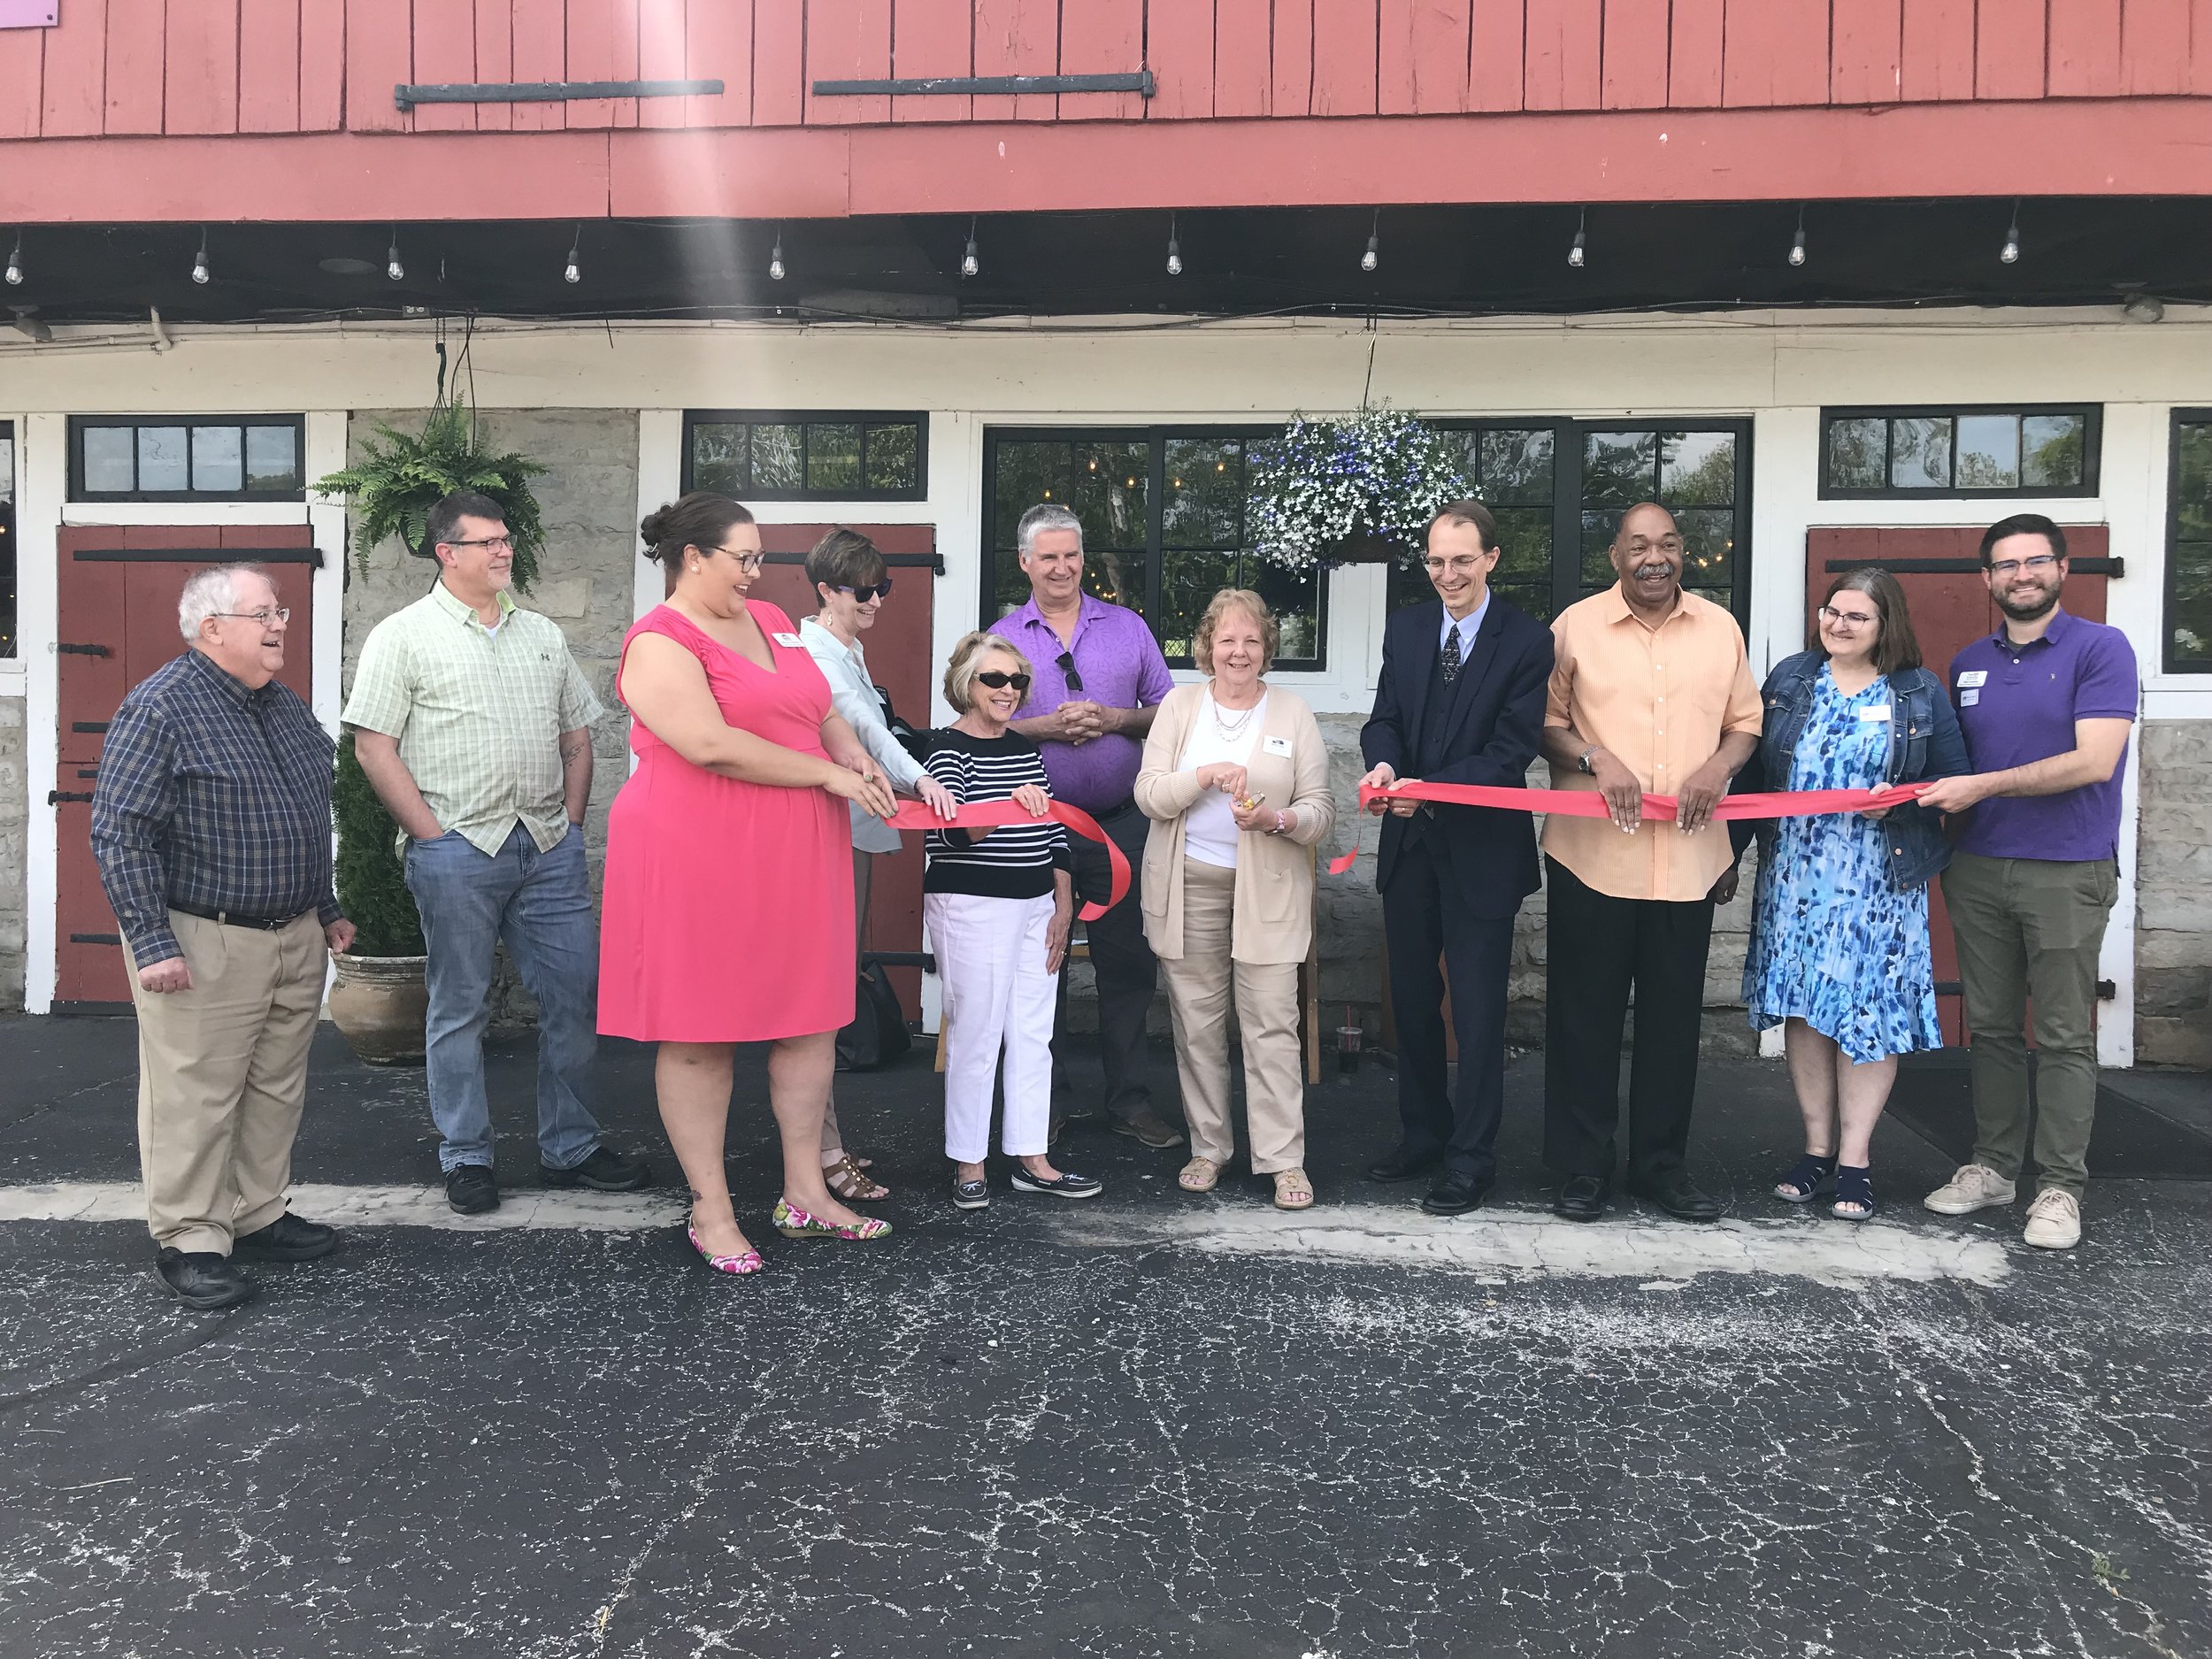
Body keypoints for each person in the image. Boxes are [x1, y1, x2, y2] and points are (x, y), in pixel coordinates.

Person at [600, 492, 902, 1273]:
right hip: (698, 846)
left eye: (759, 558)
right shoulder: (656, 641)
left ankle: (805, 1192)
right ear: (693, 557)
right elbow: (709, 744)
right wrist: (827, 775)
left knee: (810, 1018)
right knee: (702, 1031)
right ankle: (712, 1207)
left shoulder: (768, 620)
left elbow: (817, 704)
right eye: (745, 558)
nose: (757, 572)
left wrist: (853, 752)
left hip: (797, 846)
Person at [343, 490, 649, 1215]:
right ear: (447, 553)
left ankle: (569, 1147)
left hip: (546, 847)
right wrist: (428, 834)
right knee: (458, 1006)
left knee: (574, 996)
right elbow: (372, 745)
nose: (504, 551)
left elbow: (578, 734)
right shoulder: (403, 635)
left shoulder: (539, 632)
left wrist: (571, 825)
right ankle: (467, 1156)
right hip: (456, 850)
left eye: (506, 538)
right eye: (487, 542)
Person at [90, 565, 353, 1309]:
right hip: (202, 937)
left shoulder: (283, 706)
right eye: (262, 613)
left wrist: (325, 906)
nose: (280, 625)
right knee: (196, 1095)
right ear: (212, 629)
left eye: (282, 611)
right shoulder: (160, 708)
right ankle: (192, 1237)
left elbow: (304, 815)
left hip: (291, 933)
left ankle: (257, 1213)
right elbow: (120, 833)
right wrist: (150, 940)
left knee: (275, 1087)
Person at [1915, 514, 2139, 1251]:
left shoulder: (2101, 650)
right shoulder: (1970, 661)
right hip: (1978, 866)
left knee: (2067, 1032)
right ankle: (1995, 1167)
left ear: (2062, 568)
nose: (2021, 575)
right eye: (2005, 565)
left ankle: (2060, 1186)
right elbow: (1947, 760)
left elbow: (2093, 760)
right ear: (1986, 579)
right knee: (1994, 1027)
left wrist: (1981, 786)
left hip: (2067, 866)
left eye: (2034, 561)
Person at [1540, 501, 1763, 1225]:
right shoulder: (1573, 627)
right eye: (1639, 545)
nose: (1654, 557)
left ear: (1682, 552)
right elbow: (1543, 722)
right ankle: (1583, 1167)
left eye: (1668, 543)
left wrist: (1717, 770)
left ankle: (1662, 1167)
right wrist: (1594, 757)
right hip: (1592, 859)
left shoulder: (1720, 628)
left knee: (1672, 1022)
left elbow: (1745, 725)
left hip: (1689, 860)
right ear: (1615, 556)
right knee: (1585, 1018)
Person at [1735, 569, 1968, 1222]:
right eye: (1832, 611)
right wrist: (1730, 859)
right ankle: (1815, 1149)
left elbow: (1954, 781)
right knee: (1807, 1011)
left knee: (1867, 1016)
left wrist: (1896, 807)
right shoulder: (1790, 679)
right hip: (1798, 877)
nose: (1838, 624)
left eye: (1856, 616)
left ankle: (1857, 1160)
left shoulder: (1917, 692)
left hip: (1877, 882)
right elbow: (1755, 776)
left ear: (1885, 625)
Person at [1356, 503, 1554, 1216]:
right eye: (1437, 561)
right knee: (1411, 1004)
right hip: (1408, 849)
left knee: (1476, 1015)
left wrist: (1427, 792)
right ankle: (1423, 1136)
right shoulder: (1407, 627)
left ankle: (1472, 1159)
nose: (1448, 575)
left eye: (1463, 561)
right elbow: (1385, 717)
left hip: (1481, 854)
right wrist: (1383, 767)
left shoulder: (1528, 640)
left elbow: (1511, 751)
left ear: (1492, 559)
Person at [990, 503, 1183, 1150]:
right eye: (1048, 556)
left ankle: (1130, 1100)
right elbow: (980, 725)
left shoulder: (1127, 628)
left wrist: (1113, 719)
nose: (1062, 567)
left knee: (1128, 967)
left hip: (1123, 827)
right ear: (1025, 563)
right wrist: (1045, 728)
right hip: (1035, 828)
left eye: (1071, 555)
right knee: (1038, 967)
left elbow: (1169, 711)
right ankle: (1044, 1103)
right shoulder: (1001, 639)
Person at [1135, 590, 1337, 1210]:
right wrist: (1202, 777)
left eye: (1251, 640)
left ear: (1267, 647)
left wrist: (1278, 819)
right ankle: (1209, 1146)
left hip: (1269, 890)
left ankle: (1283, 1160)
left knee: (1273, 1023)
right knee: (1196, 1023)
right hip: (1187, 883)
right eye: (1227, 640)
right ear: (1207, 646)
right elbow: (1148, 793)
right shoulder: (1179, 705)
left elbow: (1321, 812)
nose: (1239, 651)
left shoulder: (1293, 712)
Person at [800, 527, 959, 1202]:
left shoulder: (847, 646)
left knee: (833, 987)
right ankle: (821, 1156)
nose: (877, 601)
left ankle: (819, 1142)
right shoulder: (817, 655)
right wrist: (923, 780)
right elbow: (863, 728)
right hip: (825, 830)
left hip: (855, 827)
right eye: (864, 591)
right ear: (826, 590)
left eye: (884, 587)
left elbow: (879, 726)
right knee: (819, 996)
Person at [923, 632, 1097, 1209]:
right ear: (966, 684)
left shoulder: (1024, 746)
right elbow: (949, 832)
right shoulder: (944, 747)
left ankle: (1032, 1157)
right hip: (973, 907)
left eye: (1016, 680)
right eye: (994, 678)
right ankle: (969, 1163)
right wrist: (1005, 808)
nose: (1007, 689)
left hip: (1036, 907)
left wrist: (1064, 903)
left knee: (1033, 1033)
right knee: (975, 1033)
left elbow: (1053, 831)